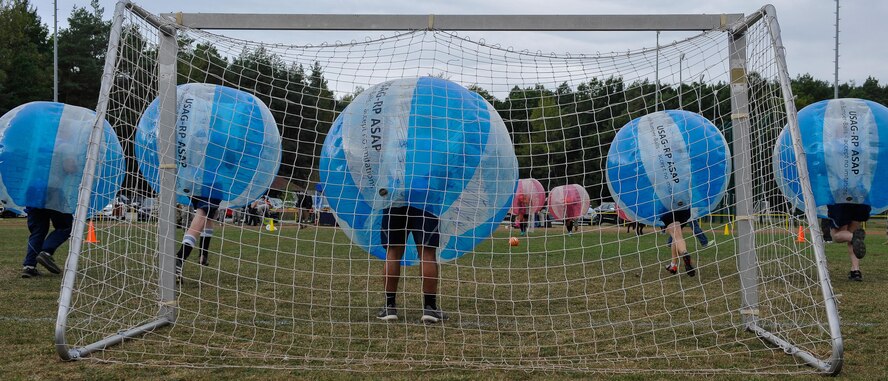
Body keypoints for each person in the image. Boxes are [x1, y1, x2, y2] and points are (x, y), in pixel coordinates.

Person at [376, 205, 445, 323]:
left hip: (396, 197)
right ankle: (430, 308)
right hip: (425, 198)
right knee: (427, 253)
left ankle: (389, 306)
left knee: (393, 252)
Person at [175, 197, 220, 280]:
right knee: (202, 213)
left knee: (209, 214)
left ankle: (203, 255)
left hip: (194, 186)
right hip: (209, 186)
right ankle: (179, 259)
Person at [21, 207, 70, 278]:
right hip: (56, 201)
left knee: (37, 232)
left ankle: (29, 266)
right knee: (65, 227)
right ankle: (46, 252)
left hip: (34, 202)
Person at [825, 204, 868, 281]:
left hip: (841, 202)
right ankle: (855, 271)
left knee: (836, 236)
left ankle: (853, 237)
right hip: (861, 201)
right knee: (853, 235)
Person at [661, 209, 696, 277]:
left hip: (669, 209)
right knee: (677, 237)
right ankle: (673, 265)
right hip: (685, 210)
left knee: (676, 236)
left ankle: (684, 253)